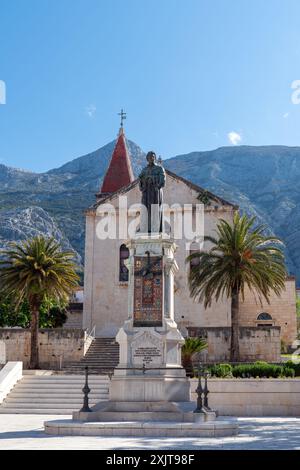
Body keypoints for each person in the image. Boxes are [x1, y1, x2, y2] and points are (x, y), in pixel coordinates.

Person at [139, 151, 166, 233]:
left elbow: (162, 181)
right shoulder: (144, 170)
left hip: (155, 193)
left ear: (155, 158)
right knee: (146, 209)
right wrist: (145, 180)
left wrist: (152, 178)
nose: (151, 158)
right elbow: (140, 181)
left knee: (155, 209)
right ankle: (146, 228)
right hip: (146, 193)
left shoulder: (159, 168)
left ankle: (155, 228)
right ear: (147, 159)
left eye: (153, 156)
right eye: (150, 157)